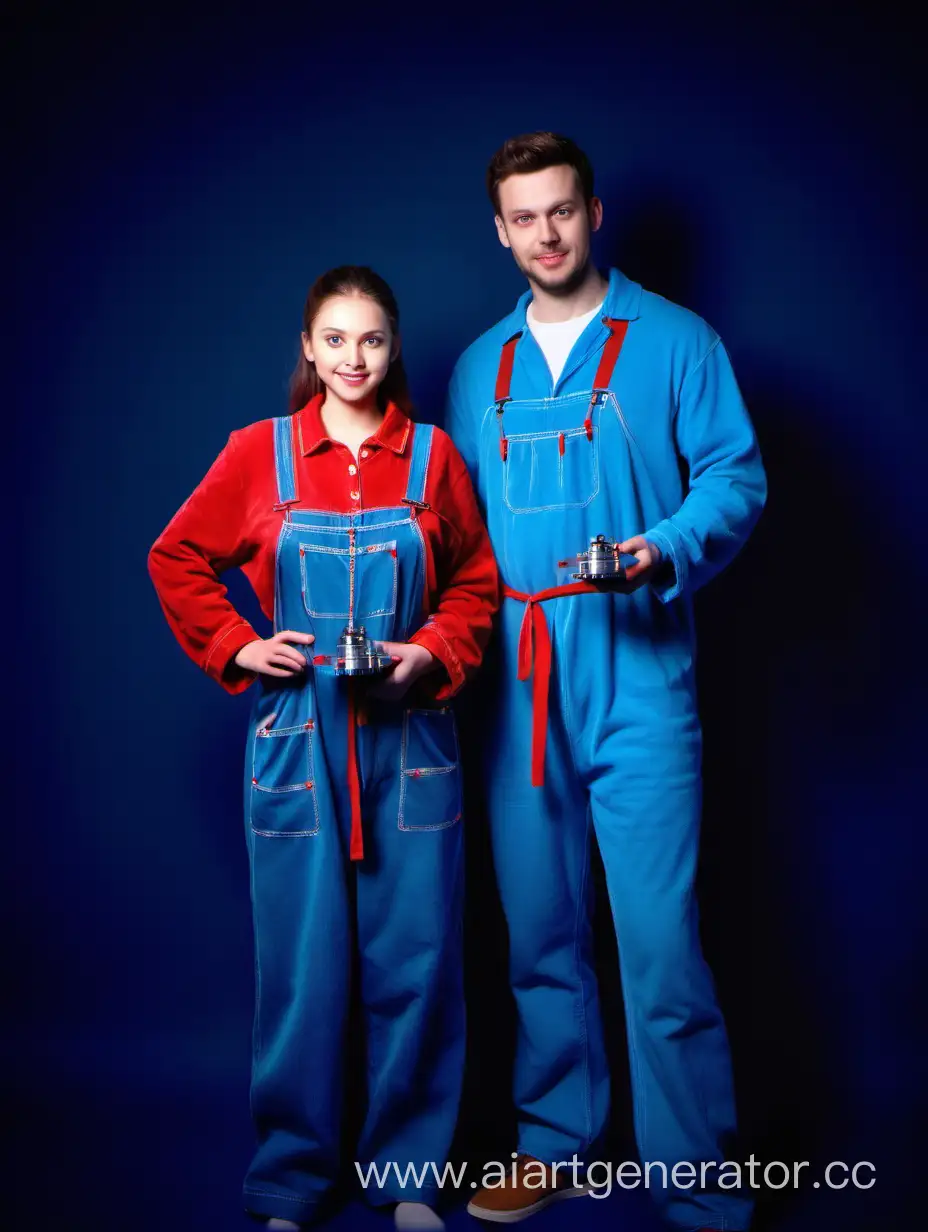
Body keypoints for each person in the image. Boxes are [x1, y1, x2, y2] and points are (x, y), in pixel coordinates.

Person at [445, 133, 766, 1231]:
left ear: (594, 212)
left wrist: (661, 546)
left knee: (658, 940)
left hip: (636, 668)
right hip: (515, 680)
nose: (545, 233)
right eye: (523, 217)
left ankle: (692, 1168)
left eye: (561, 211)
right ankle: (557, 1139)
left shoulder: (676, 340)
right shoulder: (476, 365)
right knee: (536, 928)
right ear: (500, 229)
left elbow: (734, 475)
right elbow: (456, 536)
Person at [148, 266, 499, 1231]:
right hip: (297, 746)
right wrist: (236, 645)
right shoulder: (260, 456)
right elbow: (175, 557)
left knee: (419, 963)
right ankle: (293, 1181)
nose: (354, 359)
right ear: (309, 347)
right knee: (303, 977)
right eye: (335, 340)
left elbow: (477, 589)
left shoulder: (433, 460)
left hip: (411, 747)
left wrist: (427, 652)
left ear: (394, 349)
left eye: (372, 340)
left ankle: (409, 1179)